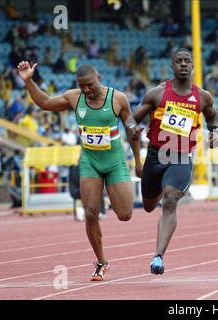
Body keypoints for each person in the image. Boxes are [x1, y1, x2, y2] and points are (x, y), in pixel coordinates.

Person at [17, 61, 141, 281]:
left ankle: (114, 193)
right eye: (81, 85)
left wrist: (139, 161)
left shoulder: (118, 99)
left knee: (125, 214)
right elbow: (45, 102)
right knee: (91, 213)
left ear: (99, 79)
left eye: (89, 85)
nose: (86, 90)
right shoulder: (74, 97)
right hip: (90, 162)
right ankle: (101, 262)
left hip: (114, 162)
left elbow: (131, 130)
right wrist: (28, 81)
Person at [132, 48, 218, 275]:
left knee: (170, 200)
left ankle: (158, 257)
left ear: (192, 66)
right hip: (155, 155)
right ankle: (153, 202)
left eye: (187, 61)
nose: (183, 64)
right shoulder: (157, 94)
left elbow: (213, 115)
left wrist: (216, 131)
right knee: (150, 206)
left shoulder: (202, 96)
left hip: (181, 155)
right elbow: (133, 119)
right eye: (179, 61)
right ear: (171, 67)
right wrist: (133, 130)